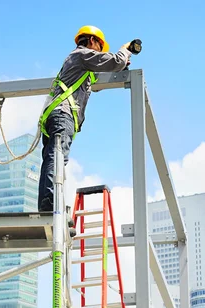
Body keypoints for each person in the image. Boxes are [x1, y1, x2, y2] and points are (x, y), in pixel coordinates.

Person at [38, 25, 133, 212]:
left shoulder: (78, 63)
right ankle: (50, 204)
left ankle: (46, 204)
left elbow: (101, 74)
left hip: (56, 115)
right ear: (91, 41)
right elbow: (115, 61)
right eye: (99, 46)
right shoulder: (82, 55)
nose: (99, 51)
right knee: (57, 157)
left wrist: (118, 65)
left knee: (51, 158)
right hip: (62, 115)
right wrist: (125, 50)